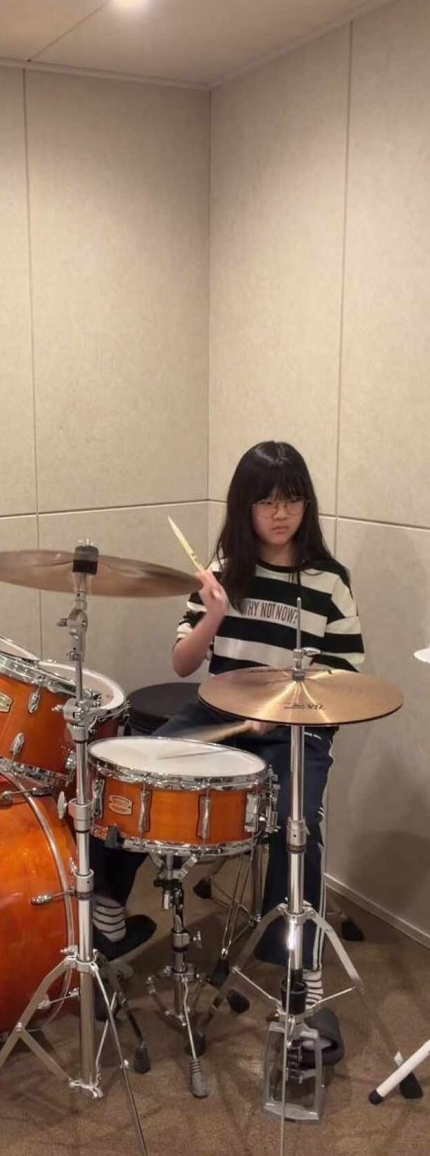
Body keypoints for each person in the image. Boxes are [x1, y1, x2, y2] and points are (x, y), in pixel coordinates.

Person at [92, 442, 364, 1036]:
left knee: (298, 823)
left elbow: (345, 679)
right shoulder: (223, 570)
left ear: (307, 504)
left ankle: (299, 966)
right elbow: (183, 662)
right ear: (244, 506)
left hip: (297, 731)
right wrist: (214, 613)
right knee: (139, 772)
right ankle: (109, 910)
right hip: (218, 712)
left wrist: (284, 712)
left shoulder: (329, 582)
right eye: (266, 501)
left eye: (292, 499)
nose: (280, 513)